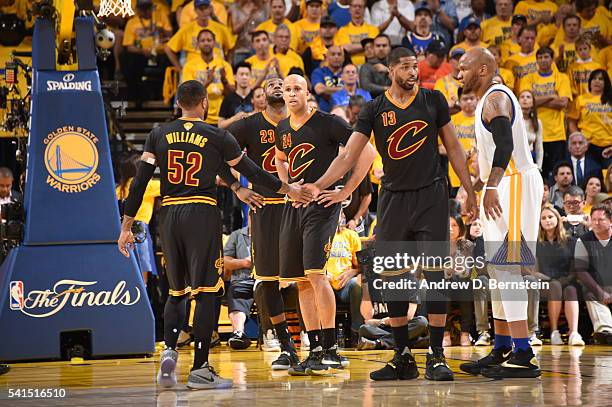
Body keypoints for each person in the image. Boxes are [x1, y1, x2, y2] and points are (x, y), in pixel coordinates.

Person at [117, 80, 310, 389]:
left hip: (169, 214)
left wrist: (126, 226)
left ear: (178, 103)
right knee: (208, 292)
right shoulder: (216, 135)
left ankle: (168, 352)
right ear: (205, 103)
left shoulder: (158, 134)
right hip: (202, 214)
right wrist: (289, 189)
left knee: (176, 292)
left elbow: (139, 182)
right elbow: (253, 171)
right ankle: (200, 368)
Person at [306, 47, 479, 381]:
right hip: (394, 200)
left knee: (436, 276)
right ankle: (402, 357)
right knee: (395, 279)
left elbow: (454, 147)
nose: (413, 72)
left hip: (431, 196)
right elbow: (348, 157)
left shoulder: (434, 101)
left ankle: (436, 356)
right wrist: (322, 185)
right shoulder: (373, 108)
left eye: (415, 66)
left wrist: (470, 190)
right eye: (405, 67)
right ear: (389, 70)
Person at [274, 74, 376, 375]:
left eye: (297, 89)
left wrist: (345, 192)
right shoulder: (282, 129)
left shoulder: (329, 122)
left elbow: (367, 152)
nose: (292, 94)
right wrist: (286, 185)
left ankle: (331, 348)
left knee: (317, 275)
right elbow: (280, 159)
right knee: (302, 280)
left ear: (308, 94)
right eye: (287, 90)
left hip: (322, 207)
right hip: (294, 206)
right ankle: (315, 348)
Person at [457, 47, 544, 379]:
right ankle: (503, 347)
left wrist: (490, 186)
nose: (457, 74)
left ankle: (523, 353)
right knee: (496, 270)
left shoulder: (495, 99)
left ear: (482, 69)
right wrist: (473, 191)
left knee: (509, 267)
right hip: (500, 185)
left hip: (515, 182)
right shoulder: (485, 101)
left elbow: (505, 146)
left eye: (463, 68)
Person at [226, 78, 301, 370]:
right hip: (266, 207)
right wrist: (236, 187)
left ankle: (321, 344)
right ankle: (286, 345)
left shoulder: (305, 122)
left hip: (298, 205)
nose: (277, 85)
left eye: (282, 82)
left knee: (309, 278)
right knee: (268, 279)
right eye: (270, 83)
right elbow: (218, 150)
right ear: (261, 97)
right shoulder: (247, 125)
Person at [520, 46, 572, 179]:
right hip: (533, 133)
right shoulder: (528, 78)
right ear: (536, 60)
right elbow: (525, 101)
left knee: (556, 175)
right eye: (540, 57)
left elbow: (563, 103)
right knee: (538, 175)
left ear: (552, 59)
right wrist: (552, 96)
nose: (543, 60)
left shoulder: (562, 77)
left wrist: (537, 101)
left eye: (546, 57)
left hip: (556, 134)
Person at [536, 204, 585, 346]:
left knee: (571, 290)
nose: (547, 220)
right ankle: (554, 332)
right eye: (543, 218)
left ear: (558, 219)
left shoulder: (571, 241)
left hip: (567, 280)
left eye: (550, 217)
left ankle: (574, 333)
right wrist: (550, 280)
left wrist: (567, 279)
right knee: (555, 286)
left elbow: (575, 268)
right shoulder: (537, 244)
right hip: (545, 281)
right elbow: (535, 270)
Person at [116, 154, 161, 284]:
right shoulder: (147, 185)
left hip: (121, 228)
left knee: (128, 264)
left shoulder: (119, 188)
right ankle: (143, 293)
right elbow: (171, 185)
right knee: (142, 265)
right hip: (139, 228)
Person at [574, 204, 612, 345]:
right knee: (591, 294)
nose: (596, 223)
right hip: (596, 285)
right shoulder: (583, 241)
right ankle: (606, 332)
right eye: (593, 219)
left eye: (601, 219)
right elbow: (581, 270)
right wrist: (601, 292)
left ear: (610, 221)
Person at [181, 29, 236, 126]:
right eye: (202, 40)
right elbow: (188, 95)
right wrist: (207, 82)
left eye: (209, 40)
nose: (206, 43)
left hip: (222, 118)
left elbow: (232, 94)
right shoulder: (189, 66)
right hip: (199, 118)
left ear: (214, 43)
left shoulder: (225, 65)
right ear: (197, 44)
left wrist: (224, 80)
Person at [326, 212, 363, 343]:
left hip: (345, 286)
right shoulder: (318, 233)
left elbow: (362, 266)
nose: (339, 218)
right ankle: (323, 337)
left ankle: (357, 333)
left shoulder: (351, 235)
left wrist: (353, 272)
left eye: (341, 214)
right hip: (325, 285)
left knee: (356, 284)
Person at [568, 69, 612, 168]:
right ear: (590, 82)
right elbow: (572, 122)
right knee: (590, 179)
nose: (597, 81)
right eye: (594, 79)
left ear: (606, 82)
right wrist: (580, 139)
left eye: (601, 79)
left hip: (609, 146)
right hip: (588, 146)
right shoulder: (581, 99)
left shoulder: (610, 99)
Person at [223, 221, 256, 350]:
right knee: (236, 292)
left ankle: (272, 335)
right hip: (242, 280)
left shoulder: (272, 232)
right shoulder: (237, 235)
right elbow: (225, 261)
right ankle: (238, 333)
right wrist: (244, 263)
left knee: (269, 292)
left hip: (266, 279)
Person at [334, 0, 379, 66]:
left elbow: (375, 48)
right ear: (349, 9)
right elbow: (345, 49)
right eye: (354, 6)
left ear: (364, 10)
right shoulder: (343, 30)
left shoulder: (373, 29)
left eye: (360, 6)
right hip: (349, 68)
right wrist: (367, 45)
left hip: (370, 66)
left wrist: (353, 47)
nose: (357, 8)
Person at [218, 62, 254, 129]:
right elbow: (220, 125)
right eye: (241, 74)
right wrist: (234, 118)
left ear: (251, 77)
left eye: (247, 74)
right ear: (235, 77)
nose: (244, 77)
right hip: (233, 137)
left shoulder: (257, 96)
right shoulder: (228, 99)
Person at [504, 25, 538, 92]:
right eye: (527, 38)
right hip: (518, 98)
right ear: (519, 39)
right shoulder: (510, 61)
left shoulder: (541, 58)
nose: (530, 41)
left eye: (532, 38)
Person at [311, 45, 345, 112]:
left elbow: (354, 90)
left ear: (343, 58)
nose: (336, 57)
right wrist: (343, 89)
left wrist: (327, 90)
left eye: (339, 54)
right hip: (325, 112)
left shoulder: (348, 72)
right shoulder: (319, 72)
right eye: (333, 54)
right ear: (326, 58)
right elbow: (319, 89)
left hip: (346, 111)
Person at [518, 90, 543, 171]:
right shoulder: (513, 120)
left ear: (533, 103)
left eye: (528, 97)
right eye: (522, 97)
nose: (525, 99)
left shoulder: (537, 122)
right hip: (515, 160)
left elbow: (539, 146)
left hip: (530, 160)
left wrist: (539, 166)